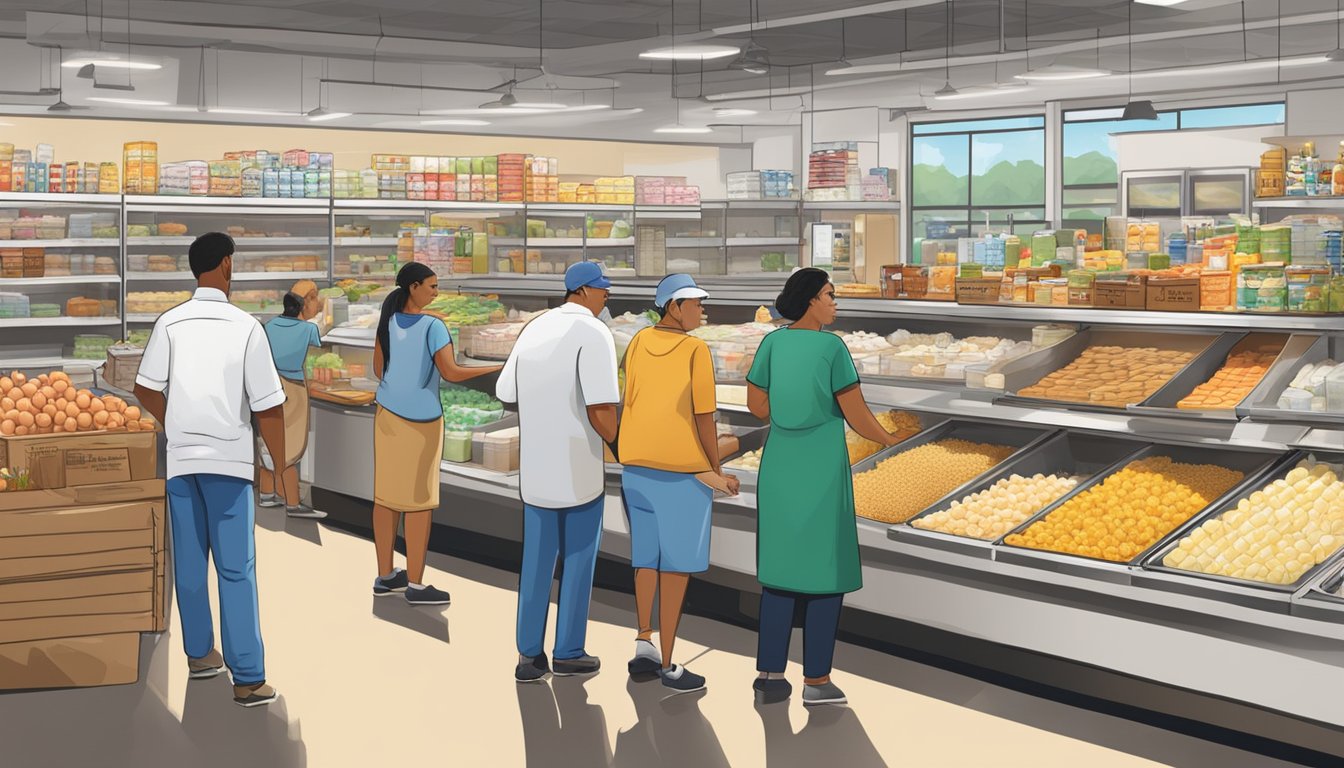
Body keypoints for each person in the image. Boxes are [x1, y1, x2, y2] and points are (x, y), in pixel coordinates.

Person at [133, 232, 287, 708]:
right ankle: (247, 677)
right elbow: (268, 409)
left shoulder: (170, 323)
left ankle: (200, 656)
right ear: (225, 266)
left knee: (191, 563)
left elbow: (144, 388)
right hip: (230, 462)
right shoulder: (246, 327)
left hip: (181, 460)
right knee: (236, 569)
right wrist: (277, 467)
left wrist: (175, 420)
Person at [744, 267, 901, 707]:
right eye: (831, 295)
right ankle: (816, 682)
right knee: (825, 577)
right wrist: (889, 439)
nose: (835, 303)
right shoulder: (832, 348)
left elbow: (757, 407)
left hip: (779, 466)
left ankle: (770, 677)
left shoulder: (772, 342)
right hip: (821, 468)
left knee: (778, 578)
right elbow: (856, 413)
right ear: (812, 299)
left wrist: (790, 405)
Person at [497, 261, 620, 683]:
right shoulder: (594, 332)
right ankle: (568, 651)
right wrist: (620, 445)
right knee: (580, 561)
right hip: (580, 471)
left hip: (537, 473)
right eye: (602, 289)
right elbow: (602, 409)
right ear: (583, 292)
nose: (607, 296)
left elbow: (504, 391)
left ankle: (528, 656)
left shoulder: (535, 327)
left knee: (536, 563)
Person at [617, 274, 739, 694]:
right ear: (674, 307)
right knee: (675, 570)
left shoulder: (636, 343)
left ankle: (643, 643)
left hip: (635, 471)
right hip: (680, 475)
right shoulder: (694, 350)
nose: (701, 311)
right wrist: (717, 473)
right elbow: (705, 417)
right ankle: (669, 665)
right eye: (695, 304)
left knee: (645, 561)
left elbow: (628, 397)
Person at [371, 262, 501, 605]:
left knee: (385, 499)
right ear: (414, 287)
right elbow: (453, 373)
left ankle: (385, 576)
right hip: (421, 421)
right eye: (431, 286)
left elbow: (376, 368)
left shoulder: (388, 320)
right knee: (419, 504)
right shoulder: (433, 326)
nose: (436, 292)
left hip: (386, 416)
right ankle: (415, 584)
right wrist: (502, 365)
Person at [257, 280, 326, 519]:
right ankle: (293, 503)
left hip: (269, 386)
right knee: (291, 447)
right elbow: (321, 349)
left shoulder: (270, 324)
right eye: (315, 298)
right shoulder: (309, 330)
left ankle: (267, 494)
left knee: (268, 441)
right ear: (304, 303)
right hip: (294, 388)